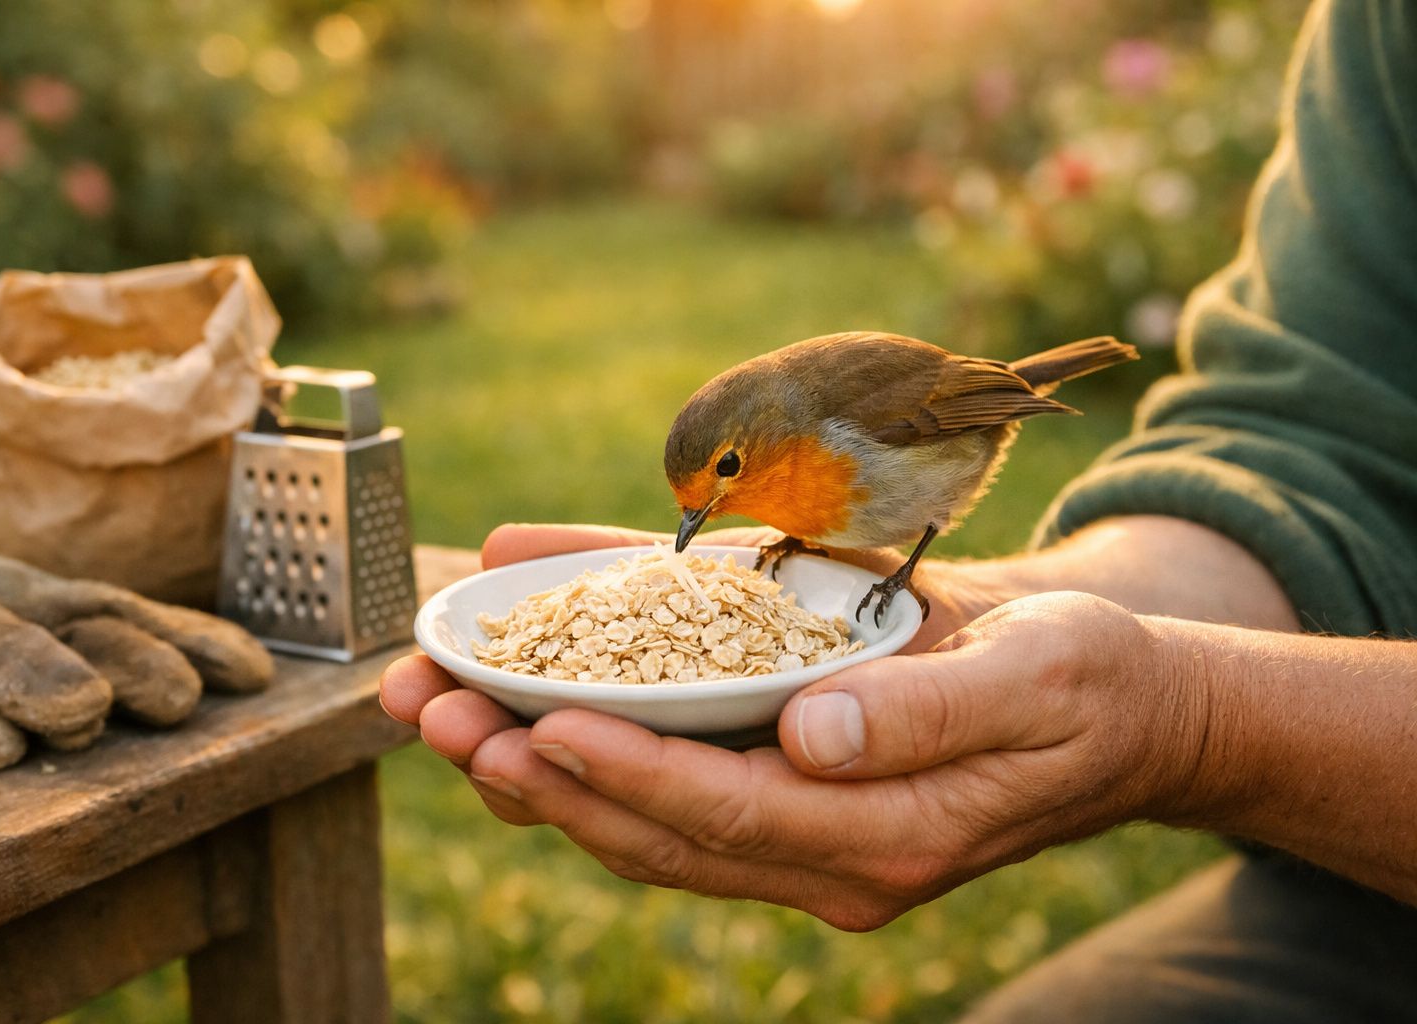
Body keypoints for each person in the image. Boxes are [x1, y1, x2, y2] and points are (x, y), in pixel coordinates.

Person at [380, 0, 1417, 1018]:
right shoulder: (782, 460)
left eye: (725, 475)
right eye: (698, 508)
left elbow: (959, 410)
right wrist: (929, 583)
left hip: (954, 431)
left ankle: (905, 563)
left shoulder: (840, 418)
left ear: (762, 431)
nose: (706, 518)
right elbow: (1311, 456)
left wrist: (1188, 719)